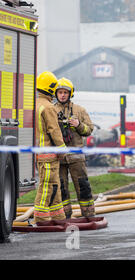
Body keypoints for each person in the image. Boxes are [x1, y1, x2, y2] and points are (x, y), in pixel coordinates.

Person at [54, 77, 95, 219]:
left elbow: (89, 130)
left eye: (65, 92)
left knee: (83, 186)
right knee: (61, 188)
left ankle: (88, 214)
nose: (63, 95)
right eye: (60, 92)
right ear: (56, 94)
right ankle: (65, 216)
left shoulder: (79, 110)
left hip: (77, 158)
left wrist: (78, 125)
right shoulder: (52, 110)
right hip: (59, 158)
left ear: (70, 93)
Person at [34, 71, 67, 222]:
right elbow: (54, 130)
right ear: (50, 88)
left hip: (41, 154)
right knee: (47, 186)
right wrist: (62, 149)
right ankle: (41, 217)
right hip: (49, 154)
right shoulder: (48, 107)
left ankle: (57, 215)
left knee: (54, 185)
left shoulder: (35, 105)